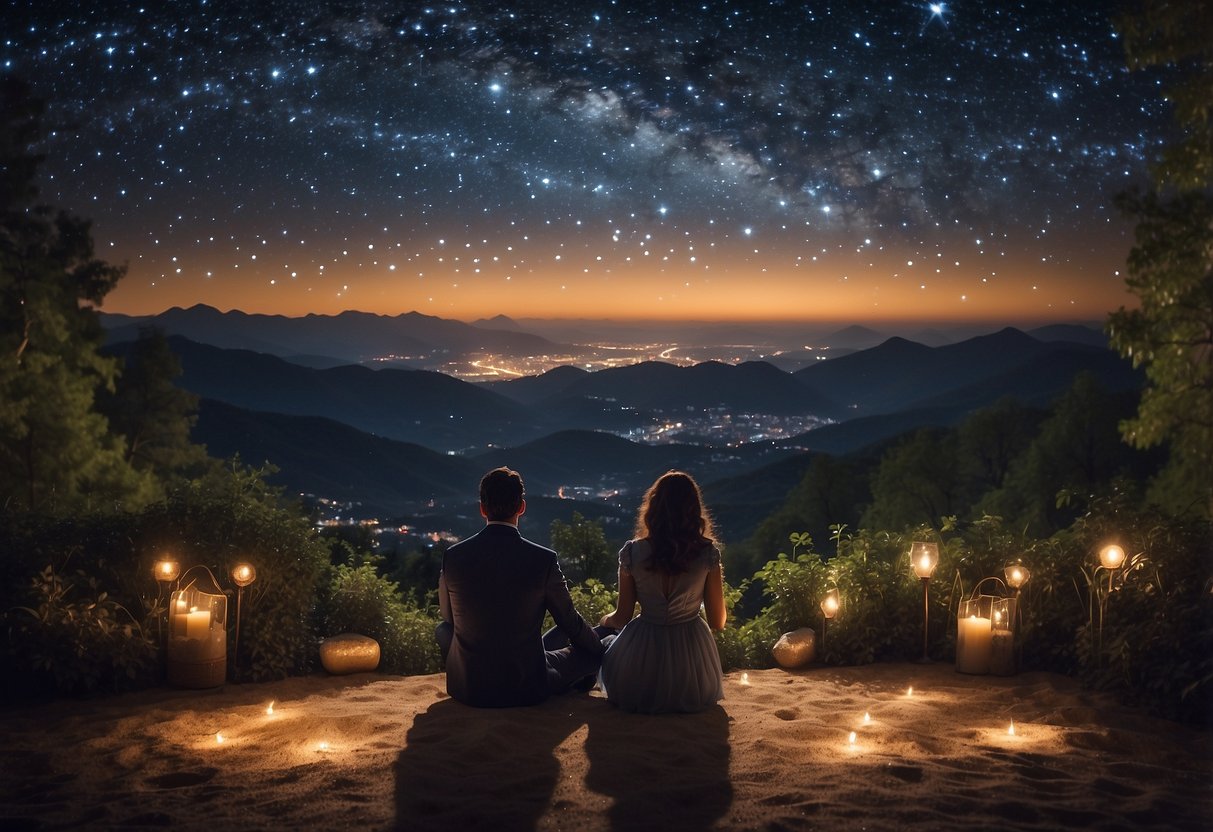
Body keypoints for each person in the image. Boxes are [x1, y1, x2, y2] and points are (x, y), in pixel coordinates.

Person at [436, 467, 606, 707]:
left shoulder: (453, 556)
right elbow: (569, 622)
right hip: (525, 686)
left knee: (442, 629)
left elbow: (449, 619)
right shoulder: (543, 560)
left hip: (468, 689)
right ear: (521, 507)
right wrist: (597, 648)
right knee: (587, 651)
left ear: (482, 508)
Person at [598, 470, 726, 713]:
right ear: (693, 509)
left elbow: (622, 616)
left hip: (641, 658)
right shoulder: (708, 554)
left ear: (653, 508)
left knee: (605, 641)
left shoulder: (632, 553)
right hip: (692, 671)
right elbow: (718, 622)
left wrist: (604, 620)